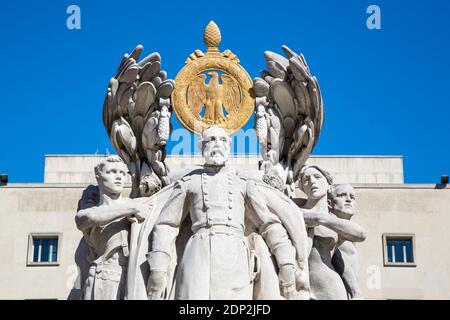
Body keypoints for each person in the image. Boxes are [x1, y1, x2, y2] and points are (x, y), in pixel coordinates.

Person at [146, 125, 306, 300]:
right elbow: (166, 225)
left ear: (229, 146)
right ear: (202, 147)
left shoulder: (244, 183)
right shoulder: (188, 183)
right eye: (211, 140)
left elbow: (269, 224)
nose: (217, 144)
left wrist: (286, 263)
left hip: (235, 254)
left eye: (222, 140)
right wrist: (158, 269)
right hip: (199, 253)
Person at [75, 156, 149, 299]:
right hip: (104, 277)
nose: (118, 177)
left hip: (133, 277)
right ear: (98, 176)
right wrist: (129, 209)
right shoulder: (90, 211)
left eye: (122, 173)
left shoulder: (136, 204)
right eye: (112, 172)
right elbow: (90, 218)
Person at [299, 165, 366, 300]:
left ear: (328, 184)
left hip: (328, 285)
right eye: (306, 179)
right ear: (302, 187)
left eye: (317, 177)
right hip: (297, 282)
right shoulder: (295, 207)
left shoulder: (333, 220)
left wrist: (320, 218)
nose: (312, 181)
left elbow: (360, 235)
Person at [329, 184, 366, 299]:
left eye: (352, 197)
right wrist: (356, 292)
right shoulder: (332, 229)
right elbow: (340, 260)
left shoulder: (347, 232)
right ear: (330, 202)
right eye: (342, 195)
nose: (348, 199)